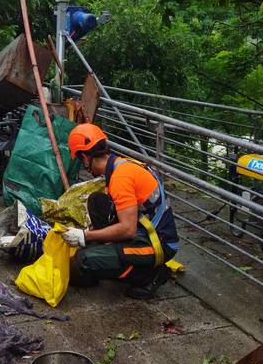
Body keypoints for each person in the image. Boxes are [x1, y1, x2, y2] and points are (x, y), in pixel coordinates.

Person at [61, 123, 180, 299]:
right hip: (145, 229)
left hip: (158, 244)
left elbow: (127, 229)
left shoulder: (121, 178)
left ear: (86, 158)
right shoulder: (119, 165)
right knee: (97, 201)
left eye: (80, 160)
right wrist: (90, 234)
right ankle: (113, 256)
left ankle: (150, 275)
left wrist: (85, 236)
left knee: (83, 261)